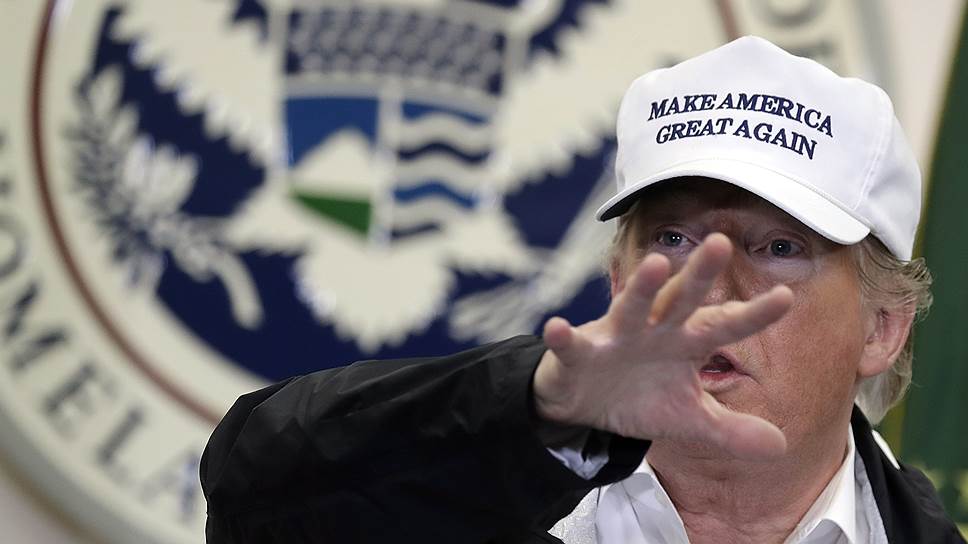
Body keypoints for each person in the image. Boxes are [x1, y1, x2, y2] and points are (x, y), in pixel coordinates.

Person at [200, 36, 965, 543]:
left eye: (779, 248)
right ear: (619, 281)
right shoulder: (472, 494)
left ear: (883, 328)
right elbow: (253, 497)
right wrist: (540, 413)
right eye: (674, 240)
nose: (714, 293)